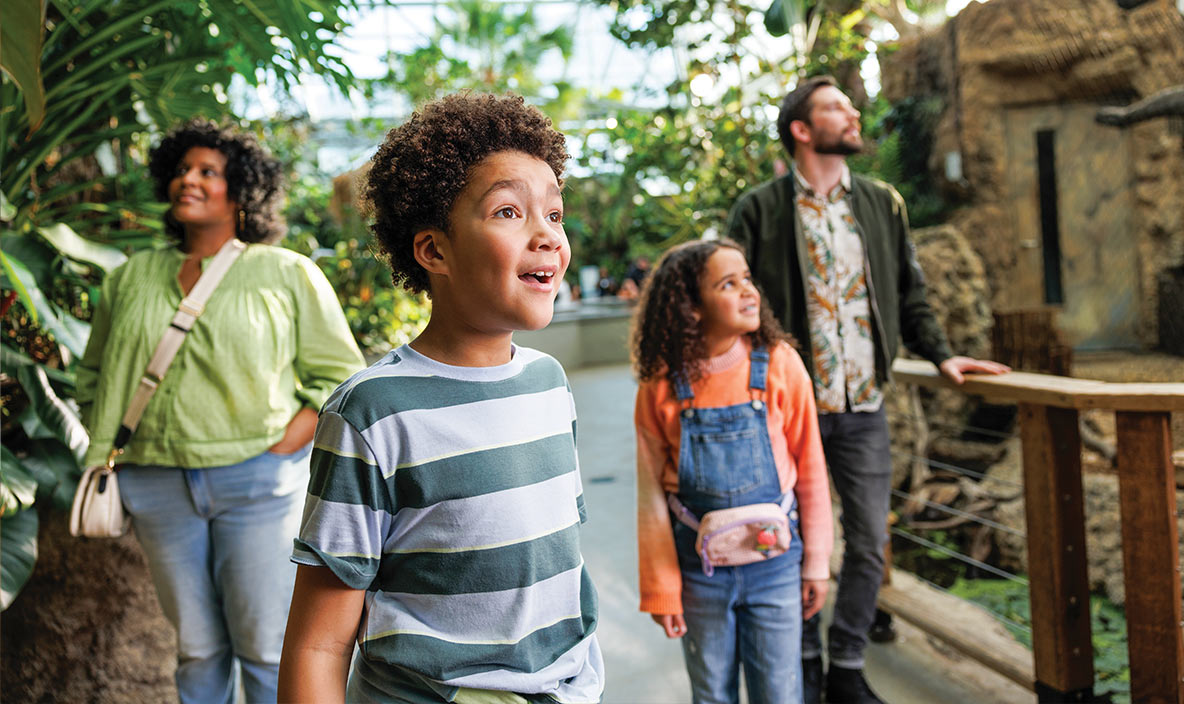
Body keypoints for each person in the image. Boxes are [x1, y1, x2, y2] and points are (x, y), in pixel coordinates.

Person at [278, 92, 604, 704]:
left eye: (554, 215)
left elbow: (545, 569)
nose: (548, 237)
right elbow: (317, 645)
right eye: (510, 212)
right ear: (434, 251)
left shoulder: (549, 385)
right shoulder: (371, 413)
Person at [727, 77, 1009, 704]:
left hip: (864, 407)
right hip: (787, 408)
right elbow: (730, 299)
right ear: (802, 130)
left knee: (869, 539)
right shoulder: (759, 210)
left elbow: (910, 293)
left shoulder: (883, 203)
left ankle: (847, 664)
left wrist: (941, 355)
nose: (853, 113)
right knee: (789, 538)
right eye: (836, 107)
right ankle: (804, 665)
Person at [75, 119, 364, 704]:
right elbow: (92, 376)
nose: (190, 180)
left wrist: (290, 437)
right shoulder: (128, 278)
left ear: (243, 190)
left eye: (209, 171)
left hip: (256, 482)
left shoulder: (286, 273)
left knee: (263, 646)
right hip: (153, 484)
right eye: (182, 170)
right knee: (198, 648)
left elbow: (341, 377)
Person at [632, 238, 834, 704]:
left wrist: (817, 563)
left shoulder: (782, 364)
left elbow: (812, 472)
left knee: (780, 692)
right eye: (728, 283)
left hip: (777, 565)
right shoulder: (661, 385)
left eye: (747, 279)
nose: (749, 291)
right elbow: (650, 499)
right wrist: (662, 588)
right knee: (711, 694)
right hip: (699, 572)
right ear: (692, 307)